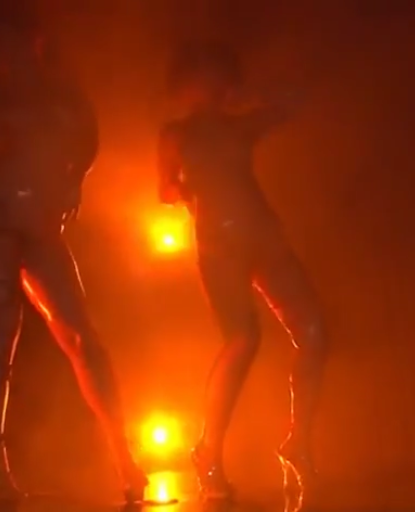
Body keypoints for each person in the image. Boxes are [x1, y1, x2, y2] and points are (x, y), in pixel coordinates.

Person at [0, 17, 147, 505]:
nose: (11, 55)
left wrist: (72, 179)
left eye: (19, 43)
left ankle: (123, 457)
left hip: (38, 221)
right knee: (2, 318)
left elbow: (87, 140)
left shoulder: (64, 97)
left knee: (81, 334)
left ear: (36, 44)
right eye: (1, 47)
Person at [157, 41, 327, 505]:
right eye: (203, 76)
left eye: (219, 76)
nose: (211, 86)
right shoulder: (175, 133)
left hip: (263, 234)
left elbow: (295, 103)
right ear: (186, 85)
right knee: (243, 338)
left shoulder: (239, 124)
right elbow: (164, 190)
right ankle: (208, 449)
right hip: (219, 245)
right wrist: (187, 188)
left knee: (313, 330)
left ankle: (298, 438)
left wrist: (252, 94)